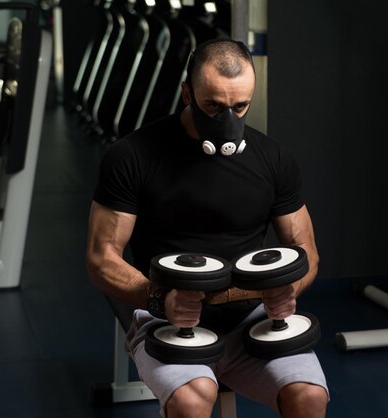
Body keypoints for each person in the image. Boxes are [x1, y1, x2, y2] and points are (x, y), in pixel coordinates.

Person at [86, 39, 328, 418]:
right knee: (192, 398)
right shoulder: (132, 157)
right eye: (213, 105)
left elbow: (305, 248)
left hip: (253, 318)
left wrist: (288, 289)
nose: (226, 119)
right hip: (165, 317)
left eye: (240, 106)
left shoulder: (274, 159)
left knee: (309, 397)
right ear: (187, 93)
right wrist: (159, 299)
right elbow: (101, 258)